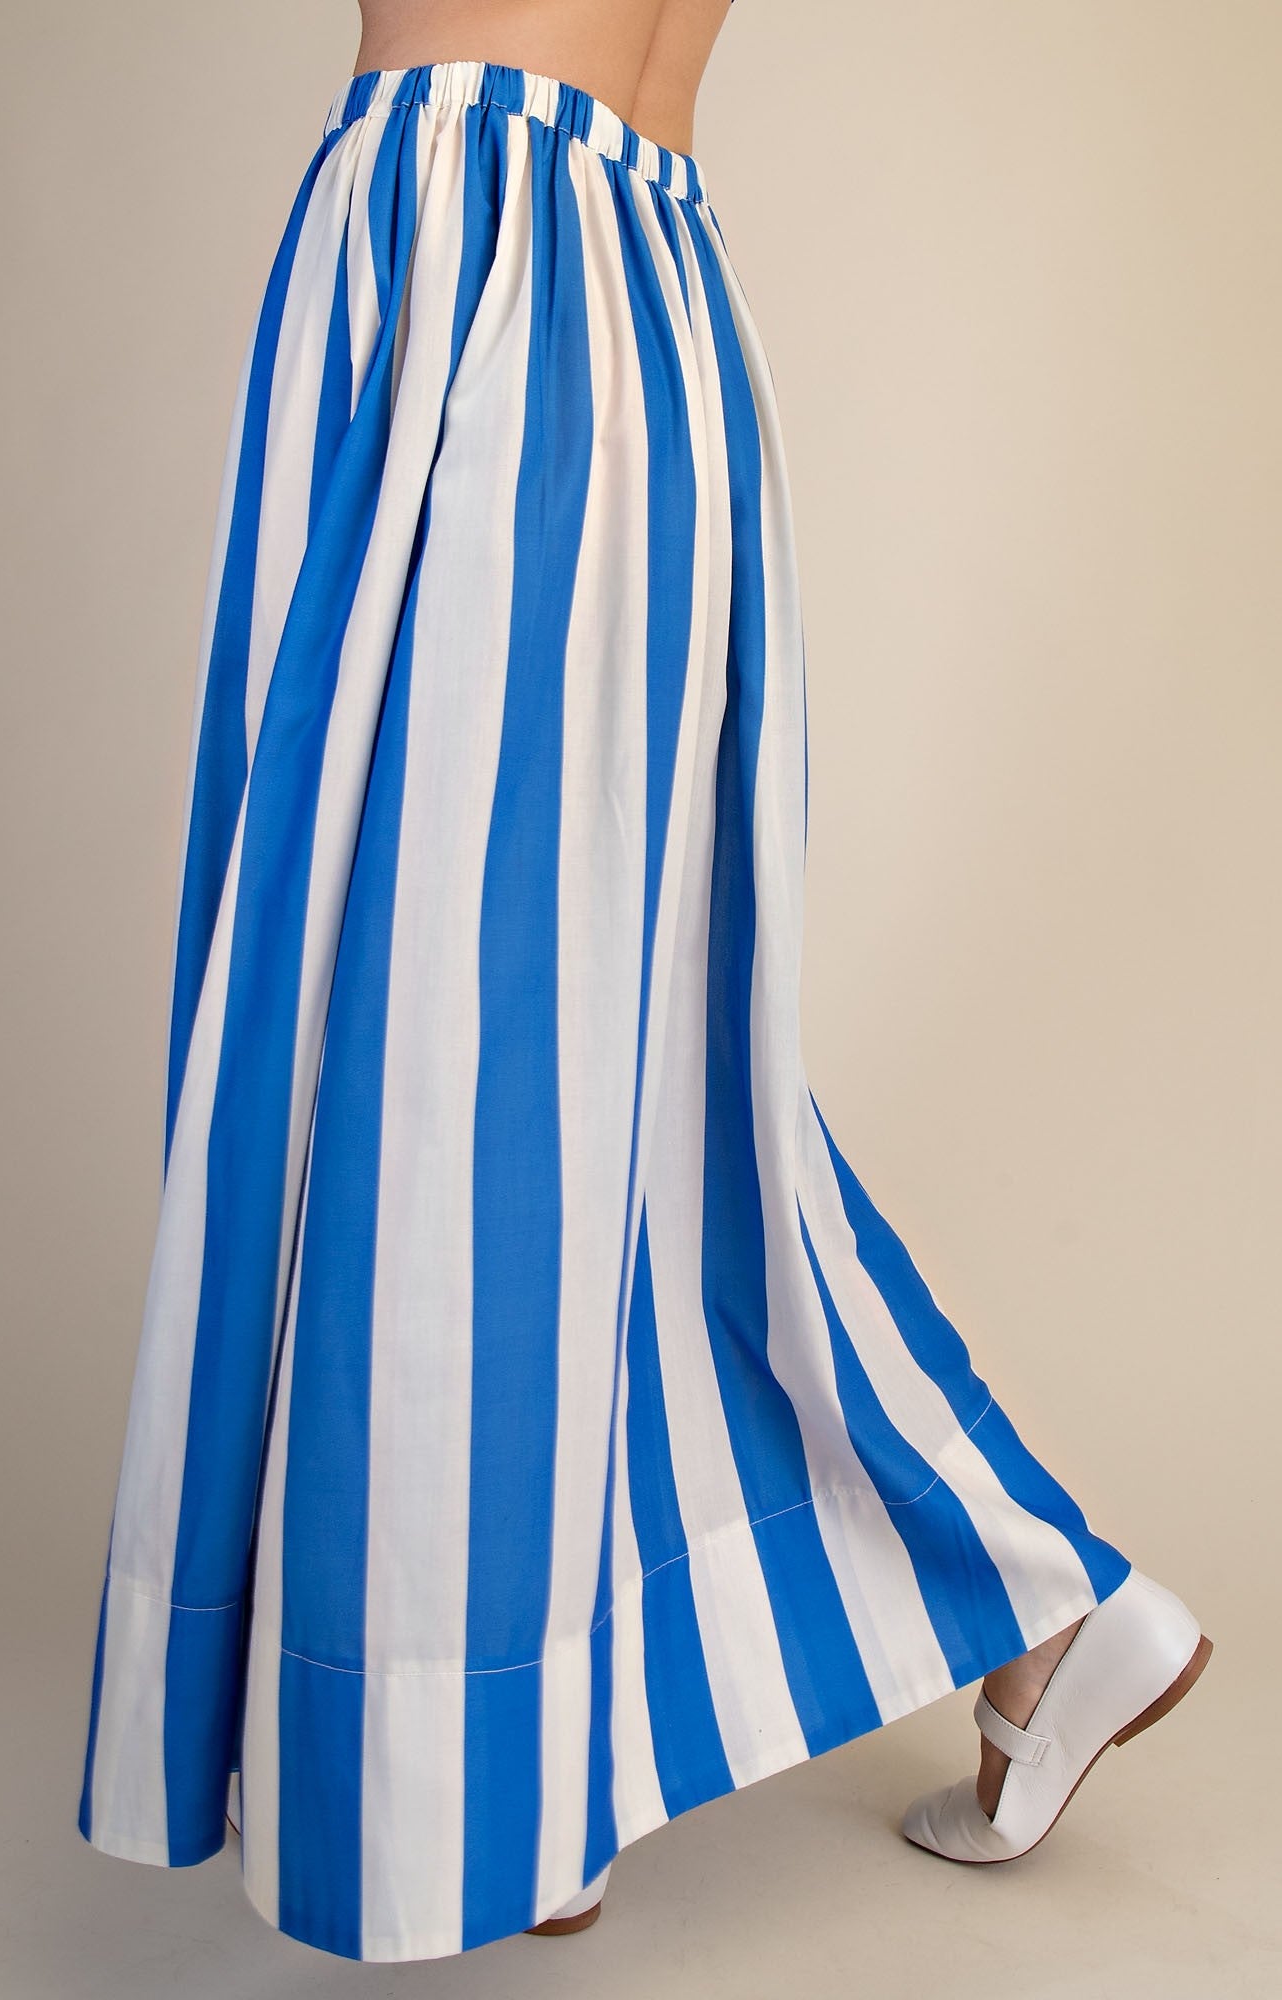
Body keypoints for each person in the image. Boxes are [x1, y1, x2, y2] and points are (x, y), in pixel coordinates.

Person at [75, 0, 1212, 1963]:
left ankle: (548, 1758)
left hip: (468, 241)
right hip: (650, 279)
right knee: (600, 1069)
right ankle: (826, 1674)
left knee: (435, 1051)